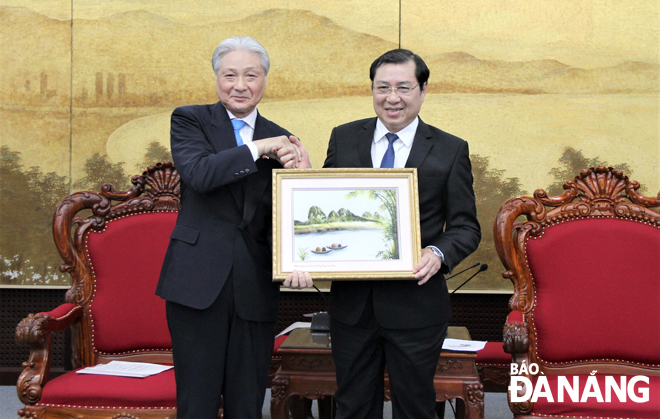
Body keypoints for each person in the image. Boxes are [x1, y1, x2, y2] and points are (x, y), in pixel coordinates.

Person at [287, 49, 481, 419]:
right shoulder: (344, 138)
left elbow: (465, 227)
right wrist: (304, 183)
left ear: (423, 91)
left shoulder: (450, 149)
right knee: (353, 406)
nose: (392, 97)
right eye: (383, 87)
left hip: (417, 305)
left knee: (415, 408)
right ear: (372, 90)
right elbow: (329, 203)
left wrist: (438, 253)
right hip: (352, 306)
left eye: (404, 88)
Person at [156, 36, 310, 419]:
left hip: (254, 284)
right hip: (197, 281)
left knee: (247, 401)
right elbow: (200, 174)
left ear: (264, 81)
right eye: (230, 75)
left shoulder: (282, 136)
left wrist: (302, 177)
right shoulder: (190, 119)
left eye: (250, 76)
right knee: (197, 400)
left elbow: (287, 213)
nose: (240, 85)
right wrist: (259, 148)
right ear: (216, 78)